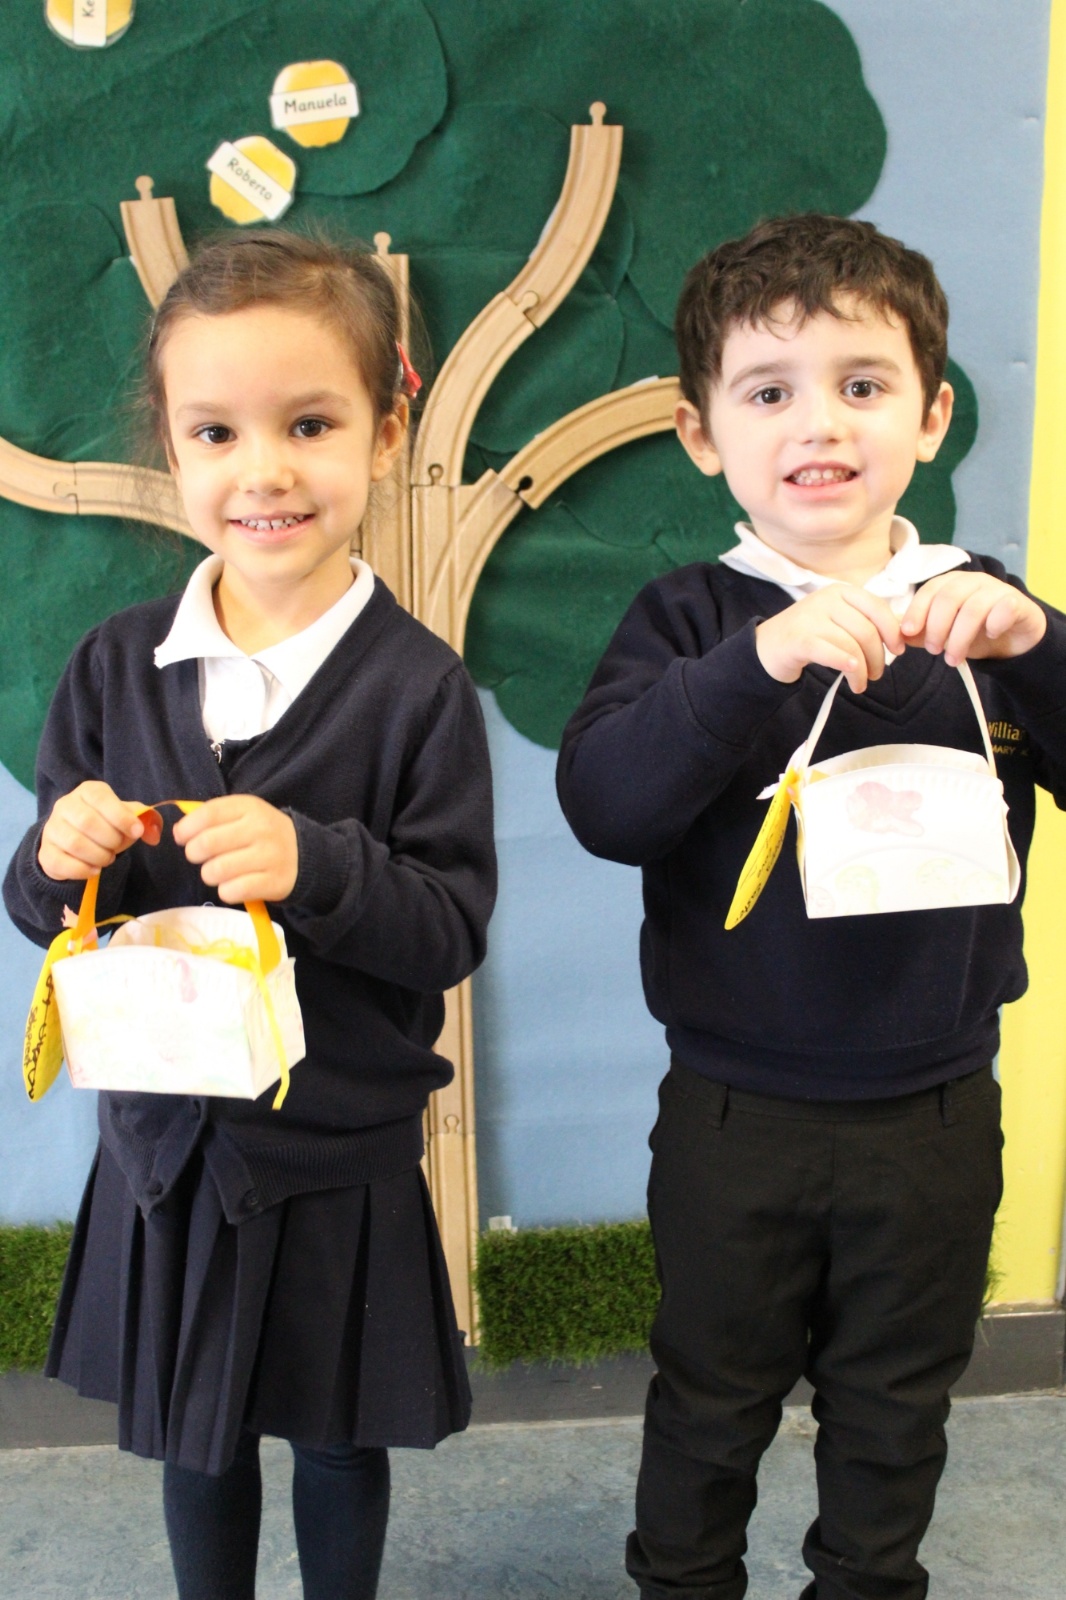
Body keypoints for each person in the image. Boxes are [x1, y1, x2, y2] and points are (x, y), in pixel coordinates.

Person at [556, 213, 1066, 1600]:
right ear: (701, 433)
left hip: (938, 1112)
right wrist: (758, 662)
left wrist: (1039, 645)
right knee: (709, 1397)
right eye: (768, 391)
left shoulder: (984, 616)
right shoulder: (687, 622)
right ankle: (683, 1583)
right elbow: (607, 806)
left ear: (931, 415)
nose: (819, 423)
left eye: (863, 383)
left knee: (898, 1404)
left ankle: (865, 1582)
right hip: (737, 1114)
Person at [4, 230, 497, 1600]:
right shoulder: (114, 667)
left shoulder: (417, 689)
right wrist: (61, 858)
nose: (263, 470)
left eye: (310, 424)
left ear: (385, 433)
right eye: (216, 431)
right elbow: (45, 911)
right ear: (172, 449)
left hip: (334, 1148)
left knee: (337, 1438)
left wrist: (317, 866)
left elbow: (449, 929)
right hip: (167, 1147)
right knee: (197, 1436)